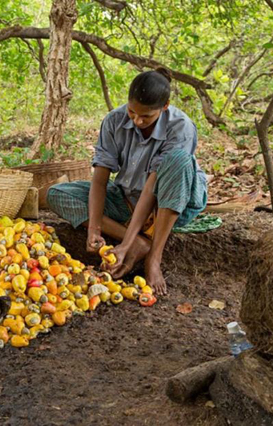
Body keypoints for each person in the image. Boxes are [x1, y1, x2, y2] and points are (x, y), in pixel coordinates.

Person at [47, 68, 207, 296]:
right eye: (132, 112)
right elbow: (100, 180)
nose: (138, 120)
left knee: (179, 160)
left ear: (164, 106)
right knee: (56, 194)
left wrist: (124, 245)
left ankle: (154, 256)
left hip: (167, 204)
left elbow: (151, 189)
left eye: (146, 116)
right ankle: (140, 243)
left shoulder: (181, 127)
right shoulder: (114, 121)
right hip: (128, 199)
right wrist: (94, 228)